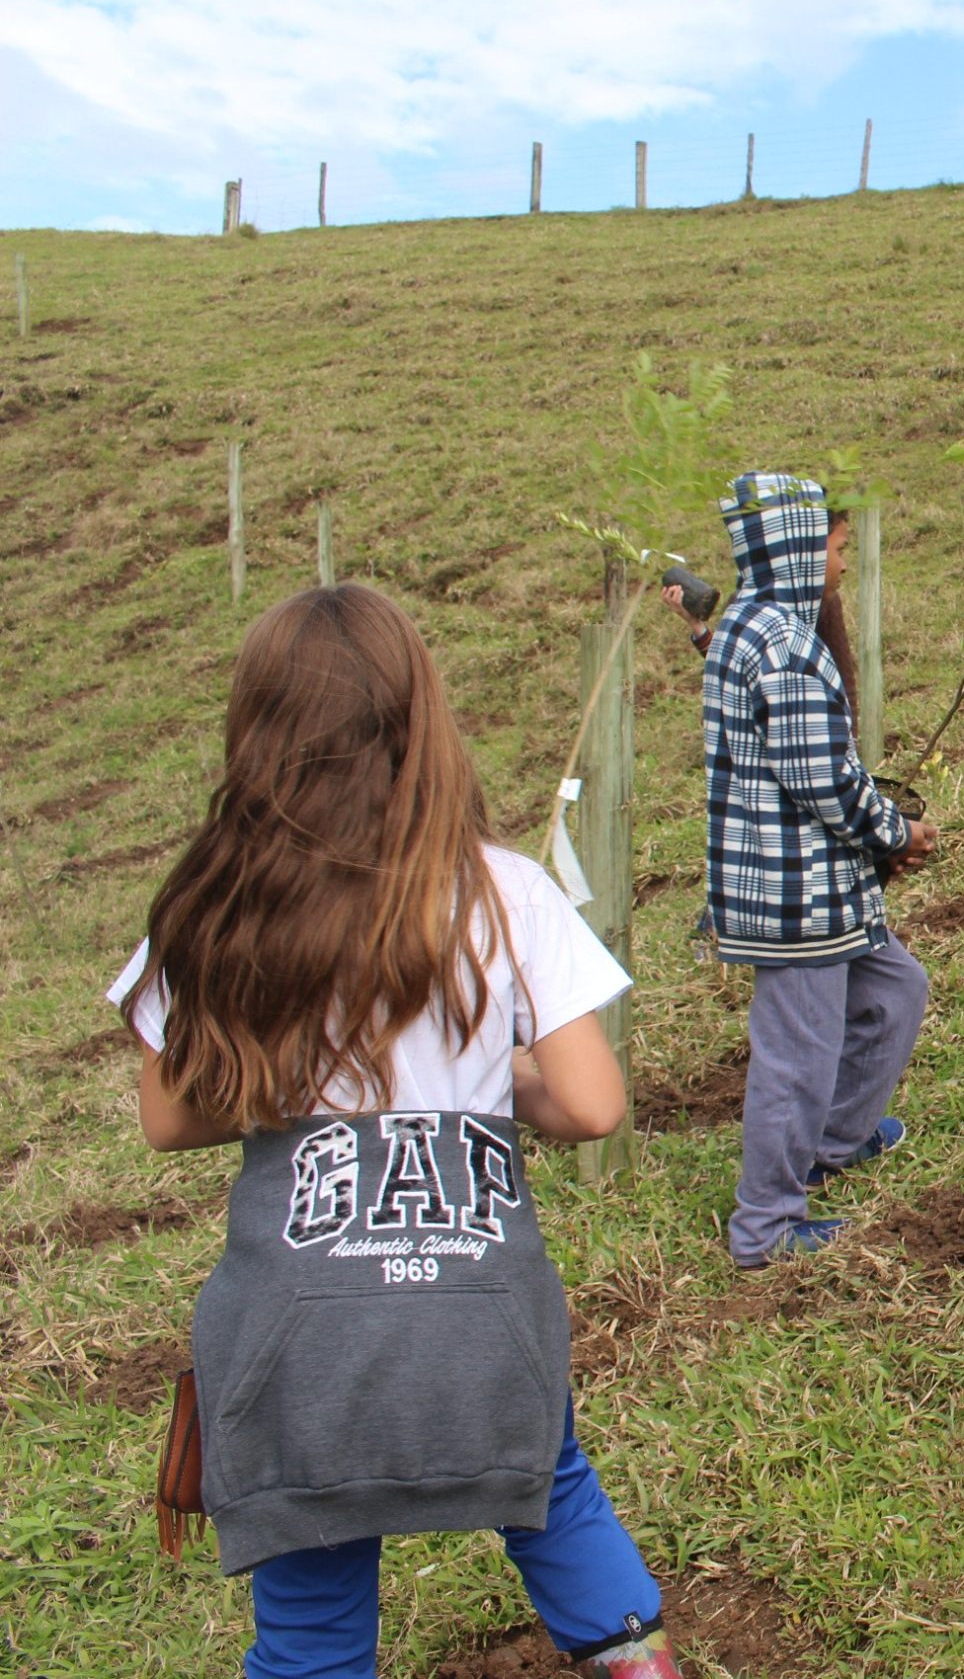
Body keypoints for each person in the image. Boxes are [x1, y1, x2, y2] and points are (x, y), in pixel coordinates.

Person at [107, 584, 684, 1679]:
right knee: (552, 1496)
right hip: (481, 1312)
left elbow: (167, 1117)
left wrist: (293, 1067)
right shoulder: (503, 891)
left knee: (314, 1620)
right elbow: (591, 1104)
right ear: (420, 722)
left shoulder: (213, 902)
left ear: (258, 733)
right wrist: (474, 1074)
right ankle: (639, 1667)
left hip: (298, 1339)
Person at [703, 473, 934, 1270]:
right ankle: (765, 1226)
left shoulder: (753, 625)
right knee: (797, 1055)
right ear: (799, 550)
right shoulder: (784, 646)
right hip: (795, 894)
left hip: (823, 889)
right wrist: (896, 830)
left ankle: (833, 1140)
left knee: (897, 990)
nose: (842, 565)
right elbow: (825, 782)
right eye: (836, 550)